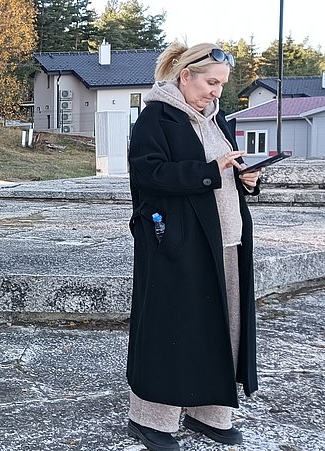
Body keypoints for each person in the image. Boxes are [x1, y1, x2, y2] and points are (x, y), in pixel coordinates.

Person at [125, 43, 262, 451]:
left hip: (227, 242)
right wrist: (208, 172)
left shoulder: (216, 120)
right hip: (178, 243)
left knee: (222, 328)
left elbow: (222, 175)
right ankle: (150, 418)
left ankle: (209, 411)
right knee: (172, 329)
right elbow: (148, 174)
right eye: (211, 82)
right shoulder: (157, 117)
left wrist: (245, 179)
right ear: (186, 76)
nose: (216, 92)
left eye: (221, 85)